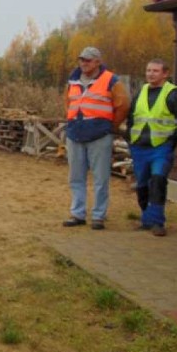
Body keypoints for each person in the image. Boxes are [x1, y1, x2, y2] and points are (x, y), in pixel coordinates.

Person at [62, 46, 130, 230]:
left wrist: (110, 127)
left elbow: (122, 105)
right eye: (82, 59)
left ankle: (98, 216)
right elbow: (68, 103)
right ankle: (78, 213)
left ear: (98, 62)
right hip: (75, 134)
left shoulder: (111, 81)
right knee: (75, 177)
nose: (84, 63)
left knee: (101, 178)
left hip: (99, 136)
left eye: (88, 60)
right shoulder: (73, 80)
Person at [127, 58, 177, 236]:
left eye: (155, 71)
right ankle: (146, 219)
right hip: (139, 147)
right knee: (142, 185)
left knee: (158, 181)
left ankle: (157, 222)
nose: (150, 74)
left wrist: (172, 142)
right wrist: (130, 139)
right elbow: (132, 117)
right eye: (148, 70)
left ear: (165, 73)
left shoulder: (173, 93)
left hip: (161, 147)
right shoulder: (141, 91)